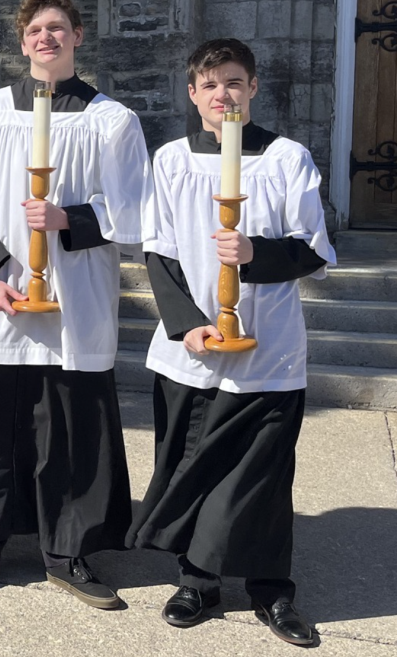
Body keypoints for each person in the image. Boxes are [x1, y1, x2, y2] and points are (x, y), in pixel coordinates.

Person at [0, 0, 149, 609]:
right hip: (0, 296)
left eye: (56, 28)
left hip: (75, 299)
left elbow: (133, 211)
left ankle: (68, 551)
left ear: (77, 36)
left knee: (69, 429)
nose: (45, 37)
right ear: (22, 44)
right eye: (34, 31)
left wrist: (68, 219)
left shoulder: (111, 120)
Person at [127, 38, 331, 646]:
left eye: (234, 82)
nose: (223, 94)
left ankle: (271, 590)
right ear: (193, 94)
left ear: (253, 88)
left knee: (263, 477)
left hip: (268, 350)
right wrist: (187, 322)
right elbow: (159, 248)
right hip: (192, 349)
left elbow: (314, 250)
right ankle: (197, 582)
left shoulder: (287, 158)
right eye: (211, 84)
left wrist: (253, 253)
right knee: (190, 467)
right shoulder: (172, 160)